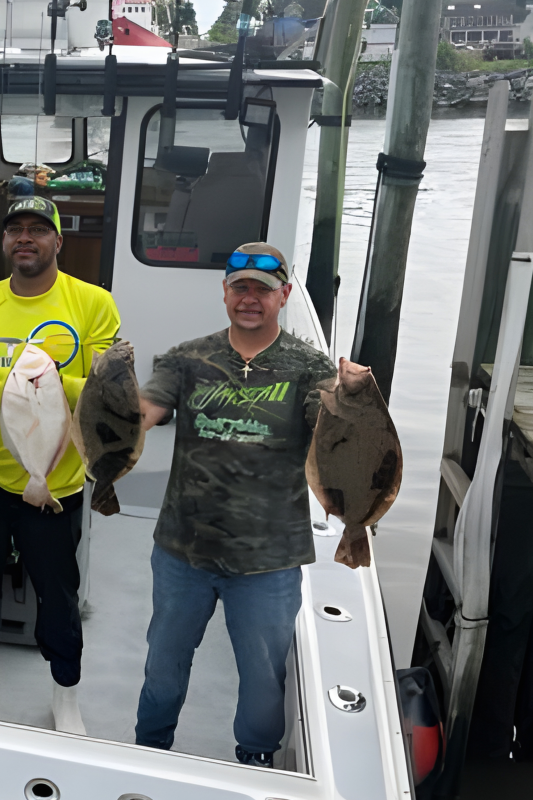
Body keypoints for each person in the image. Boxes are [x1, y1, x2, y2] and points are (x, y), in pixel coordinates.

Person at [134, 242, 337, 766]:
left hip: (269, 560)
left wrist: (353, 399)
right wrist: (104, 396)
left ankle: (256, 760)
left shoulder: (310, 367)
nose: (250, 299)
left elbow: (331, 436)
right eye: (240, 288)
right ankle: (150, 750)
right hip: (183, 551)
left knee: (263, 677)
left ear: (283, 296)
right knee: (163, 666)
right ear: (224, 292)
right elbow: (144, 411)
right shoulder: (187, 358)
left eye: (262, 291)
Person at [0, 197, 121, 734]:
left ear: (58, 242)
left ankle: (66, 693)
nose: (26, 237)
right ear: (4, 242)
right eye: (15, 229)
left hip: (54, 480)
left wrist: (41, 380)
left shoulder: (93, 303)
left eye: (39, 229)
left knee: (58, 594)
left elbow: (107, 387)